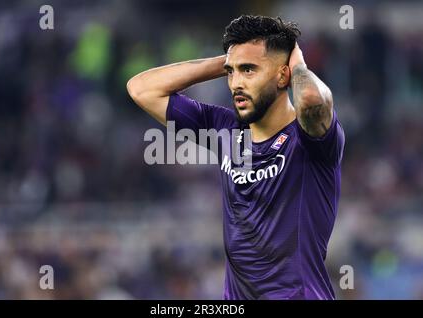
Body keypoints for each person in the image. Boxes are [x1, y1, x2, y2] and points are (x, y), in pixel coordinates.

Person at [127, 15, 345, 300]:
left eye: (249, 70)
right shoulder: (225, 129)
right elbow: (141, 89)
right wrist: (230, 60)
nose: (236, 84)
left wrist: (299, 66)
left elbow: (312, 101)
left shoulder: (310, 139)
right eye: (232, 73)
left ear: (283, 75)